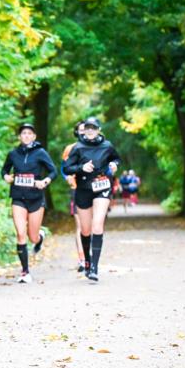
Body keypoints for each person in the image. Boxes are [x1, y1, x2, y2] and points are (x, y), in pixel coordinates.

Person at [62, 117, 122, 282]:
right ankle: (87, 261)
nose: (90, 131)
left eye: (93, 128)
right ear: (84, 130)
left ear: (98, 129)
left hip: (102, 187)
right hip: (83, 190)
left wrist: (114, 165)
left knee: (98, 224)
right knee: (85, 230)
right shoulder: (78, 147)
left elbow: (116, 158)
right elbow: (67, 168)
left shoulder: (107, 145)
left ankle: (94, 267)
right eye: (87, 128)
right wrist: (81, 168)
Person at [1, 123, 56, 283]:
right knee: (20, 233)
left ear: (34, 137)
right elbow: (4, 170)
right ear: (20, 136)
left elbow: (53, 171)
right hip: (18, 197)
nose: (26, 135)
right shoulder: (13, 154)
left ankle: (39, 237)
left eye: (29, 133)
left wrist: (45, 181)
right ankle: (25, 272)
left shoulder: (40, 153)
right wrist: (6, 176)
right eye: (23, 133)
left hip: (36, 198)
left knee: (32, 237)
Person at [61, 122, 86, 273]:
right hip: (77, 189)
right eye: (80, 130)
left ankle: (91, 256)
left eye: (86, 129)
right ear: (76, 132)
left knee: (92, 225)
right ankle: (82, 260)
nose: (83, 132)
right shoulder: (70, 149)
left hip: (93, 190)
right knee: (80, 226)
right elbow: (63, 168)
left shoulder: (97, 147)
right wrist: (67, 177)